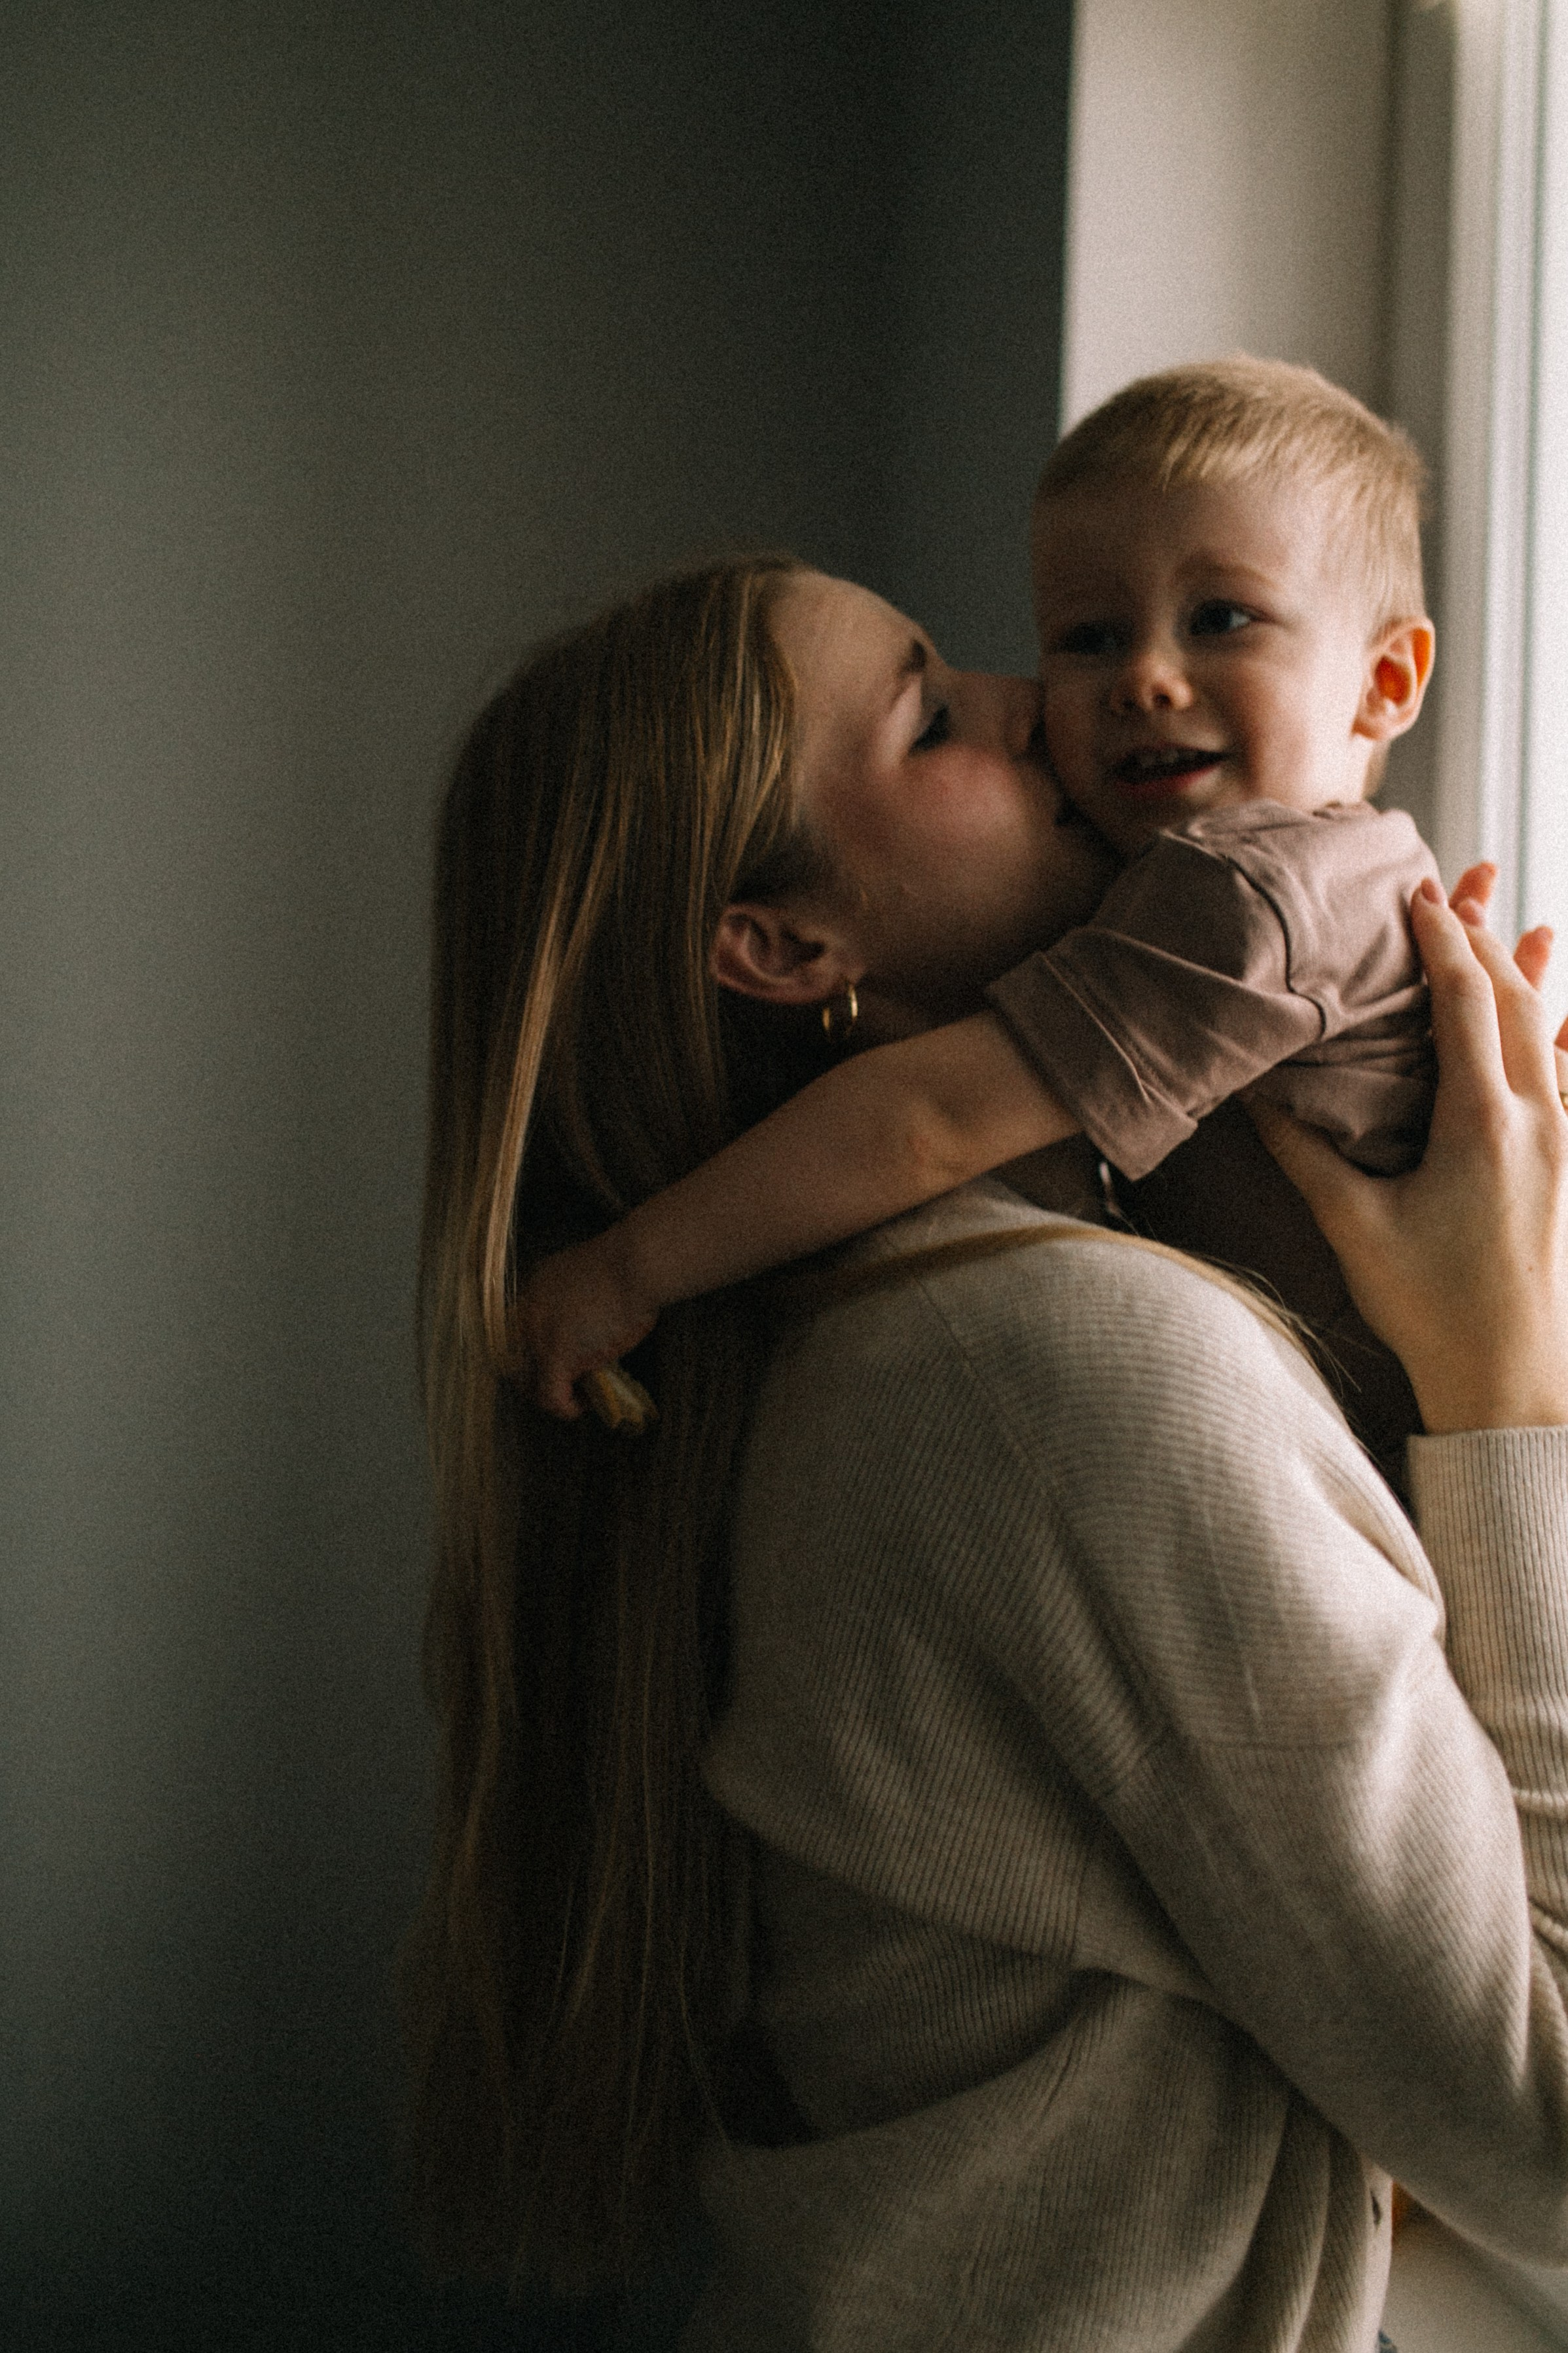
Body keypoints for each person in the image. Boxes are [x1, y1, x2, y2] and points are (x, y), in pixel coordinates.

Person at [401, 553, 1568, 2353]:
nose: (1048, 703)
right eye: (935, 715)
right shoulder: (1071, 1378)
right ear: (784, 948)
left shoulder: (835, 1343)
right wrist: (1510, 1382)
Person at [506, 364, 1465, 1490]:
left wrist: (631, 1268)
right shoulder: (1276, 891)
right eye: (1091, 637)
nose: (1145, 679)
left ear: (1385, 680)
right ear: (776, 946)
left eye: (1219, 621)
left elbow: (927, 1118)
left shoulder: (1252, 900)